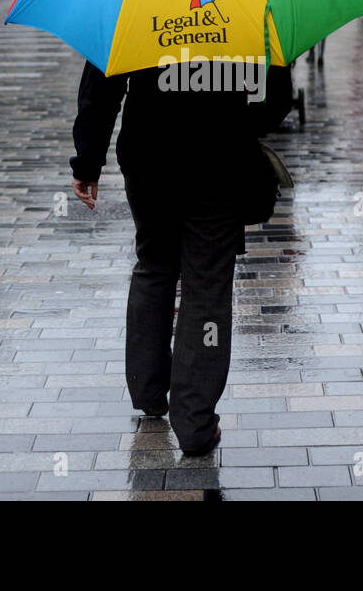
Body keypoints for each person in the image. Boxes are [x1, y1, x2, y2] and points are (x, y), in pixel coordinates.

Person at [70, 59, 293, 456]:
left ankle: (149, 391)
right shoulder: (248, 4)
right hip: (219, 160)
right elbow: (276, 98)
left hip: (148, 157)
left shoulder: (133, 1)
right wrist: (237, 120)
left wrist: (88, 160)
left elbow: (101, 88)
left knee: (154, 266)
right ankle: (194, 423)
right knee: (206, 285)